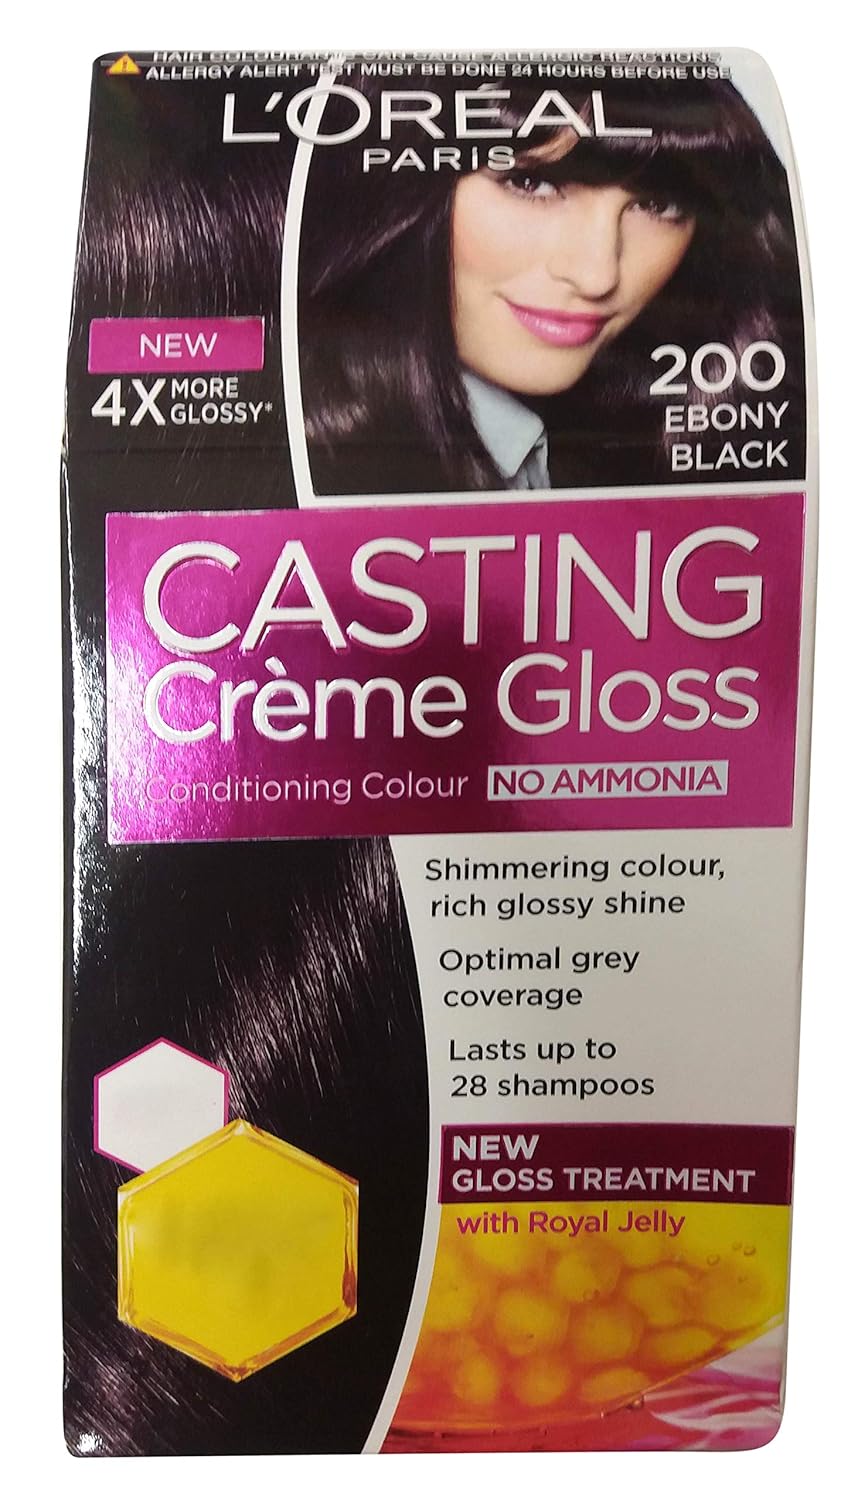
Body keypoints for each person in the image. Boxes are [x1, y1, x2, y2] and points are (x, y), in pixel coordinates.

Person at [299, 76, 806, 494]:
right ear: (400, 186)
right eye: (531, 183)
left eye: (657, 204)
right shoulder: (306, 456)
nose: (598, 275)